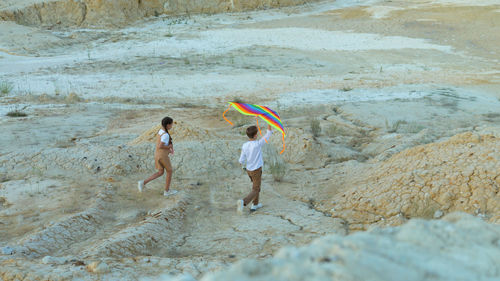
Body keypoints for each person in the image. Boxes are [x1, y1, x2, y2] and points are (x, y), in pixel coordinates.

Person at [237, 124, 273, 214]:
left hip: (249, 170)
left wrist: (242, 165)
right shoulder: (258, 144)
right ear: (256, 135)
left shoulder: (245, 145)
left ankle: (255, 204)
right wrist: (269, 124)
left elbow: (241, 159)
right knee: (256, 189)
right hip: (256, 170)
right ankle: (243, 202)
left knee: (256, 186)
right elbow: (268, 134)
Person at [138, 117, 177, 196]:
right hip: (162, 156)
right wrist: (169, 146)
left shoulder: (161, 131)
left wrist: (168, 149)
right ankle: (167, 191)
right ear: (168, 125)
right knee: (169, 171)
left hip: (158, 154)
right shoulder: (165, 135)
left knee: (160, 172)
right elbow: (160, 146)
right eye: (171, 124)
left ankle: (143, 183)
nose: (172, 126)